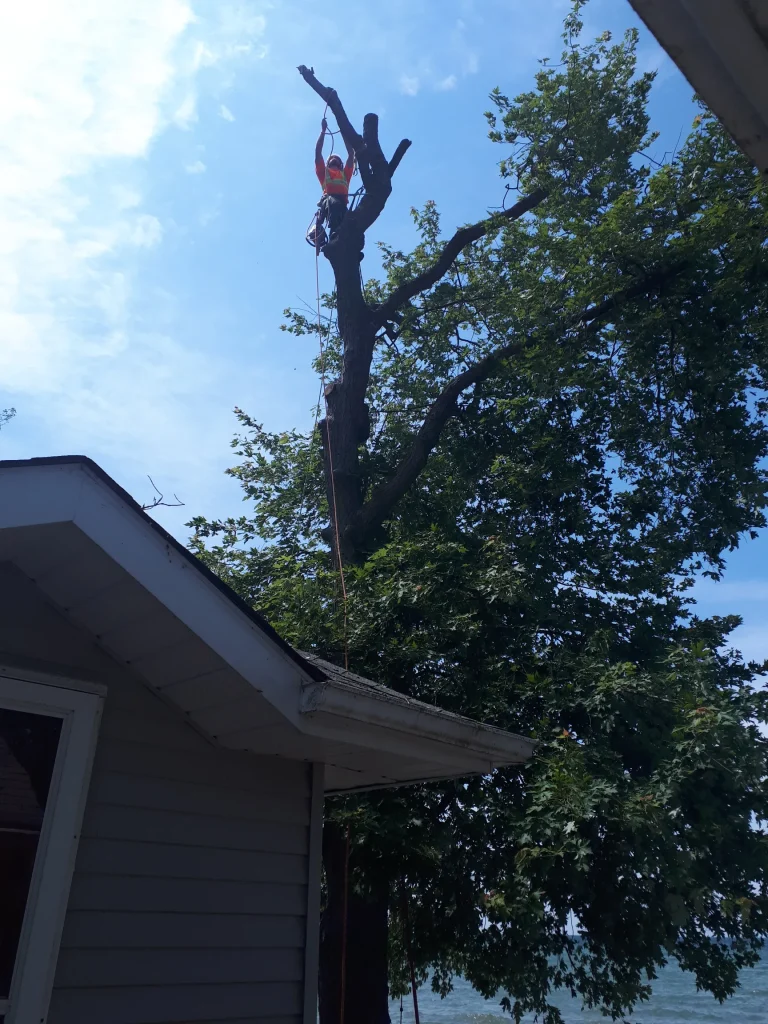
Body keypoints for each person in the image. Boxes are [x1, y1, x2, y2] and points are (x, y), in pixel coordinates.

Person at [311, 117, 355, 247]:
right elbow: (317, 152)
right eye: (332, 158)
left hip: (342, 206)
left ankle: (353, 249)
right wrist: (323, 131)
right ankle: (333, 236)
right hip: (329, 203)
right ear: (328, 163)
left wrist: (343, 132)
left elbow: (351, 154)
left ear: (341, 164)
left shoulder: (345, 174)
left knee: (353, 224)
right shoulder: (323, 173)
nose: (334, 160)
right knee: (334, 205)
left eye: (337, 159)